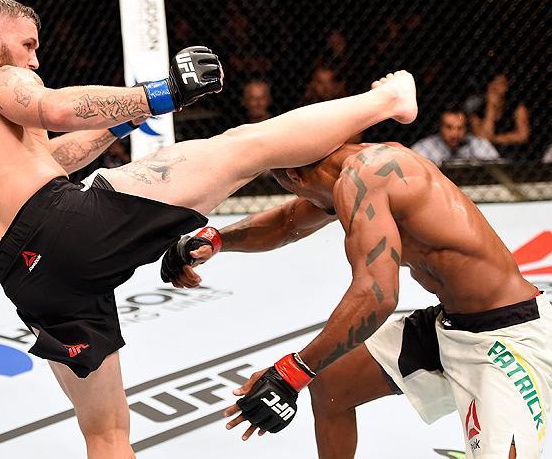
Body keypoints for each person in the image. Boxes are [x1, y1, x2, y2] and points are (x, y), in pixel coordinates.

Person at [0, 0, 417, 458]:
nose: (34, 60)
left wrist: (124, 120)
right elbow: (53, 108)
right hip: (65, 230)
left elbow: (47, 160)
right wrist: (160, 92)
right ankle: (389, 100)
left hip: (32, 285)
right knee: (246, 145)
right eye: (28, 44)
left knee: (106, 432)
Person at [161, 143, 551, 458]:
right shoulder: (350, 170)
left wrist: (292, 371)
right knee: (331, 383)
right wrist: (216, 240)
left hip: (508, 335)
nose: (301, 201)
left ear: (295, 174)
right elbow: (285, 223)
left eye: (292, 190)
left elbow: (377, 296)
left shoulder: (364, 178)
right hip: (449, 323)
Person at [411, 104, 499, 166]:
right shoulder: (425, 147)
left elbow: (497, 167)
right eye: (449, 127)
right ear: (440, 127)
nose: (455, 134)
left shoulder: (478, 144)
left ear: (466, 128)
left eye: (460, 128)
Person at [469, 73, 531, 160]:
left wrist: (495, 139)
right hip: (488, 155)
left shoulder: (517, 107)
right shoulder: (477, 112)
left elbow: (523, 135)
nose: (496, 88)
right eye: (493, 84)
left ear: (506, 87)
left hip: (515, 152)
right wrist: (490, 107)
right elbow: (482, 139)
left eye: (500, 84)